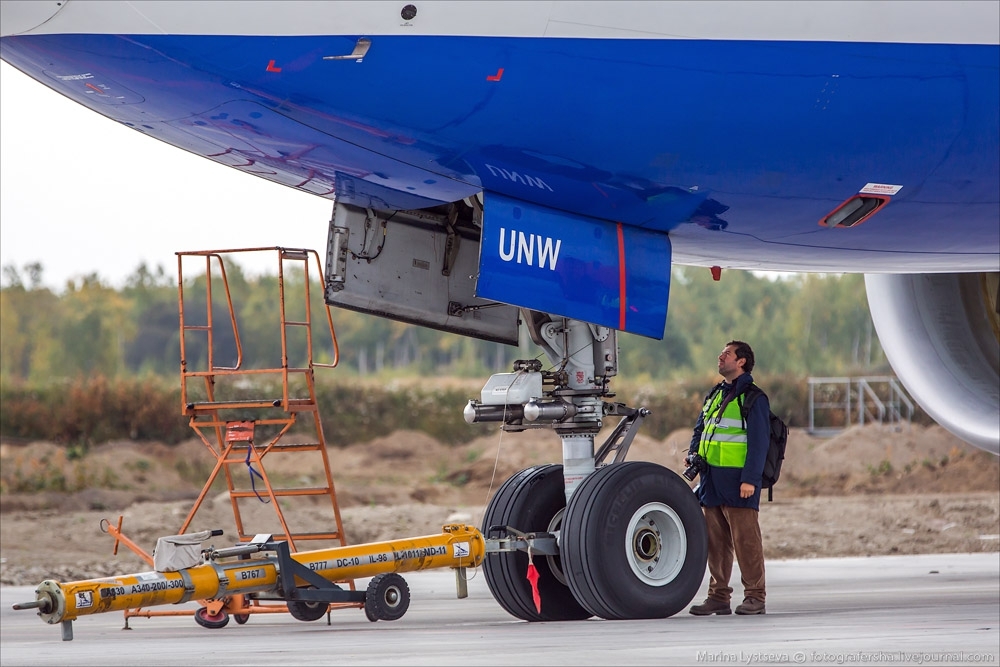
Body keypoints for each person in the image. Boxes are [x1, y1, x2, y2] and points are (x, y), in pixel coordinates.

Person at [686, 340, 769, 616]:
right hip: (711, 480)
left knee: (746, 542)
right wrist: (693, 455)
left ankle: (755, 597)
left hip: (739, 482)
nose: (720, 357)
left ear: (741, 361)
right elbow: (701, 429)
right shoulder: (715, 394)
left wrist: (751, 480)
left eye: (727, 354)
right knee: (717, 543)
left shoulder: (754, 398)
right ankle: (719, 597)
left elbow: (759, 444)